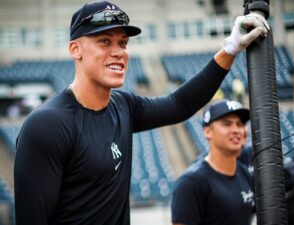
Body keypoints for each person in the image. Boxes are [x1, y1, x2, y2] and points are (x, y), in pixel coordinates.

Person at [13, 1, 269, 224]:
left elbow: (179, 105)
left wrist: (231, 48)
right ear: (75, 50)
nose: (119, 52)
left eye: (123, 43)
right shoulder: (47, 125)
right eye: (105, 41)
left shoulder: (123, 106)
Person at [171, 99, 255, 225]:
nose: (236, 130)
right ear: (207, 131)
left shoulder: (244, 173)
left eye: (240, 124)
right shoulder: (191, 183)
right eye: (227, 124)